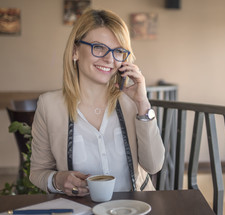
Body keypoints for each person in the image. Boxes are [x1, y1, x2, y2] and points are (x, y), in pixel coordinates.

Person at [29, 9, 165, 196]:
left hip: (135, 211)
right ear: (75, 51)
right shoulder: (49, 105)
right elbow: (37, 172)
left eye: (118, 51)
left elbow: (154, 165)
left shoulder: (132, 103)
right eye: (99, 47)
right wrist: (58, 180)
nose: (109, 59)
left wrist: (143, 104)